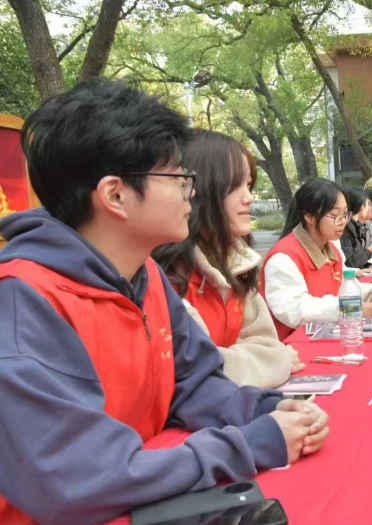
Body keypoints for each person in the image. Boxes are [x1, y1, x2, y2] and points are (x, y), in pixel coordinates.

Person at [0, 78, 329, 525]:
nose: (190, 190)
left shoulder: (143, 274)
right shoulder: (25, 302)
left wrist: (264, 410)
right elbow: (74, 479)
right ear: (115, 194)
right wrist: (248, 445)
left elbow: (191, 383)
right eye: (177, 177)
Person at [153, 130, 303, 389]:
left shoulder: (238, 262)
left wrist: (265, 359)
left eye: (249, 184)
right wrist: (274, 362)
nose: (249, 197)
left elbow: (264, 343)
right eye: (235, 185)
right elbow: (203, 371)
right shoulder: (166, 275)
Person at [262, 179, 372, 340]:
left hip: (325, 337)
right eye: (335, 216)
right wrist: (357, 307)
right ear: (310, 216)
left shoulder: (331, 248)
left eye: (345, 215)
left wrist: (370, 297)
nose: (343, 222)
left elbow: (344, 287)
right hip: (293, 347)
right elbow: (294, 310)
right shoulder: (283, 258)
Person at [340, 187, 372, 269]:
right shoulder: (346, 229)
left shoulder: (357, 227)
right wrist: (369, 251)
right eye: (369, 204)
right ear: (362, 206)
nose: (371, 208)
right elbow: (349, 263)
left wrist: (369, 266)